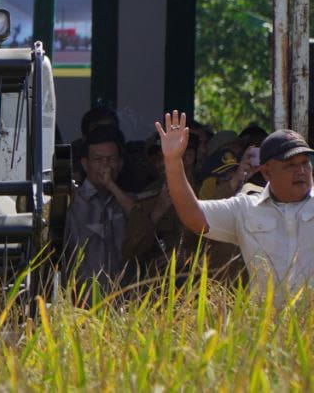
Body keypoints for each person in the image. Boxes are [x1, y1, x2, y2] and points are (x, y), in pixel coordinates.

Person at [158, 110, 314, 300]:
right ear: (267, 172)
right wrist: (173, 161)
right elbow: (193, 217)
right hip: (266, 327)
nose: (301, 171)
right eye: (290, 165)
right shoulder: (246, 208)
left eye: (305, 163)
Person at [63, 126, 134, 284]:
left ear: (120, 164)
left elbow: (140, 220)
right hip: (80, 303)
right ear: (85, 164)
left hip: (124, 302)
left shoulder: (126, 201)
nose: (105, 166)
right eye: (98, 159)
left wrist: (111, 186)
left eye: (111, 159)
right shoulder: (72, 202)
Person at [123, 134, 200, 277]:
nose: (160, 164)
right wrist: (155, 214)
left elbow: (220, 251)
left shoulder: (206, 194)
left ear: (189, 157)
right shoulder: (148, 198)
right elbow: (130, 253)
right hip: (156, 288)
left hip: (198, 288)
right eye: (158, 159)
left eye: (167, 157)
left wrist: (188, 257)